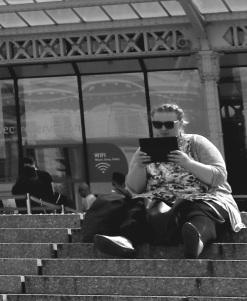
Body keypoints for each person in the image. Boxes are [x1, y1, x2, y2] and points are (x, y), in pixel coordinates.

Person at [94, 102, 241, 258]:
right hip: (157, 202)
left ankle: (196, 240)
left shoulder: (197, 142)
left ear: (180, 123)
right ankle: (125, 240)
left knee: (201, 210)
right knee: (137, 207)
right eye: (158, 124)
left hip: (200, 197)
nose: (163, 129)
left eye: (169, 124)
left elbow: (219, 176)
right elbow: (134, 189)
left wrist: (188, 163)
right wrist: (139, 166)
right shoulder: (144, 150)